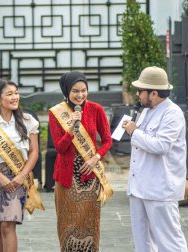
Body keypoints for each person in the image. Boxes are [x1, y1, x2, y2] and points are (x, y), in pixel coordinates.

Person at [122, 66, 188, 252]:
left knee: (169, 242)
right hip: (139, 187)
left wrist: (134, 131)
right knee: (142, 243)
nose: (138, 94)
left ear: (153, 93)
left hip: (160, 188)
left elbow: (161, 146)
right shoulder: (148, 110)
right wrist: (135, 130)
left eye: (140, 91)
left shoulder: (172, 113)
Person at [0, 79, 43, 252]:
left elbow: (34, 152)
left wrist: (21, 176)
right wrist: (0, 177)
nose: (15, 97)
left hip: (17, 178)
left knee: (7, 225)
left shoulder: (28, 121)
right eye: (9, 94)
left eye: (16, 93)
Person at [48, 71, 113, 251]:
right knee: (67, 224)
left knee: (90, 225)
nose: (80, 95)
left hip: (90, 177)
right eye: (75, 91)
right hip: (67, 179)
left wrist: (95, 158)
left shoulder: (96, 109)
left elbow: (107, 140)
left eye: (84, 90)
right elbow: (60, 148)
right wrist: (71, 129)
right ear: (67, 91)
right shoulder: (56, 113)